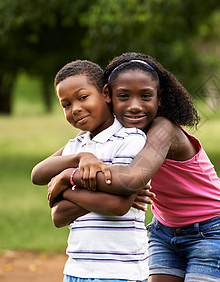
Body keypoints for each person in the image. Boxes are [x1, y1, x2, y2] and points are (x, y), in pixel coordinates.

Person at [43, 52, 220, 282]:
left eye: (146, 96)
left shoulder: (163, 129)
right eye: (123, 96)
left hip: (208, 230)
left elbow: (130, 180)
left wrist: (68, 178)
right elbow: (43, 170)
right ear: (108, 96)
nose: (135, 106)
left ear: (159, 98)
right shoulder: (112, 136)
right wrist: (77, 170)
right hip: (164, 230)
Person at [31, 60, 151, 282]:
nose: (75, 109)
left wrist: (65, 183)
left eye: (82, 97)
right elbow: (42, 184)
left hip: (120, 272)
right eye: (66, 105)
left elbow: (118, 206)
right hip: (76, 270)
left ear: (106, 93)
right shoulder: (77, 145)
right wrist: (80, 158)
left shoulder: (130, 138)